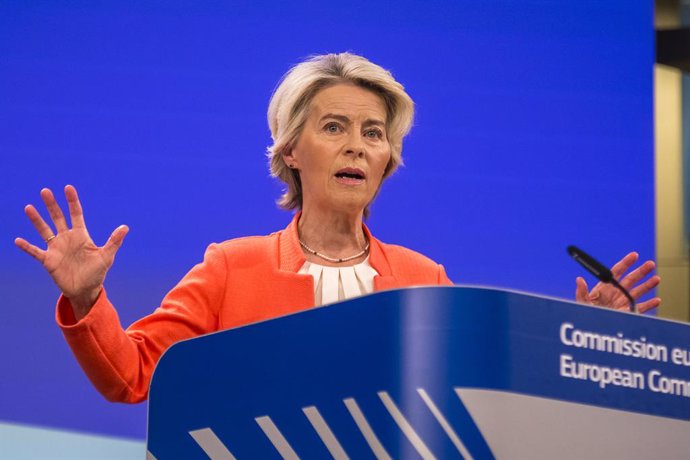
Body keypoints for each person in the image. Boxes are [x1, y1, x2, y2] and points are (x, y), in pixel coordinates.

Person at [14, 53, 660, 404]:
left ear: (388, 161)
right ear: (291, 151)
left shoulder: (422, 279)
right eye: (334, 127)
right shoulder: (231, 266)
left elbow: (480, 402)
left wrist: (592, 337)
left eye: (373, 134)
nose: (357, 146)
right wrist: (86, 300)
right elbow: (132, 376)